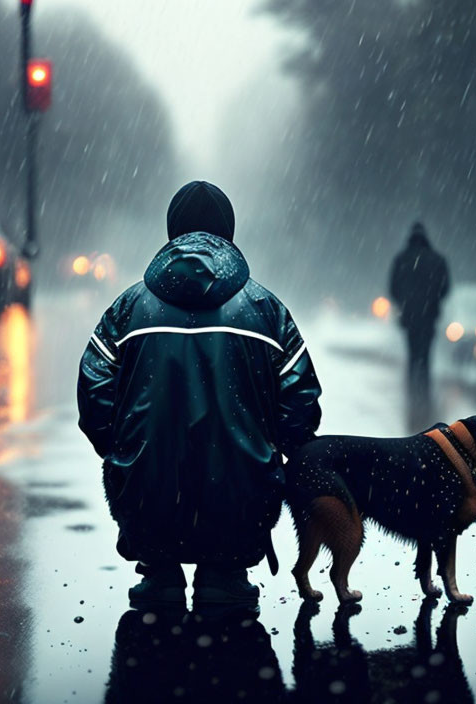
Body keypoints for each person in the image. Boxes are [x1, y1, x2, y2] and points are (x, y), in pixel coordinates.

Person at [78, 181, 322, 607]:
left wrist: (120, 449)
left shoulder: (129, 308)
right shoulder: (266, 310)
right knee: (245, 472)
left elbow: (93, 387)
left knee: (140, 466)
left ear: (171, 230)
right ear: (229, 230)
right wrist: (277, 452)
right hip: (239, 497)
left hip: (149, 493)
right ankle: (225, 574)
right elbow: (300, 401)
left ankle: (160, 573)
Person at [388, 221, 450, 428]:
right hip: (429, 317)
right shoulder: (437, 260)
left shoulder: (401, 259)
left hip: (410, 319)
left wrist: (406, 304)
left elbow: (393, 288)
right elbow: (446, 288)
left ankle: (413, 402)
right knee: (425, 359)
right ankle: (425, 402)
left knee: (413, 358)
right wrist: (432, 301)